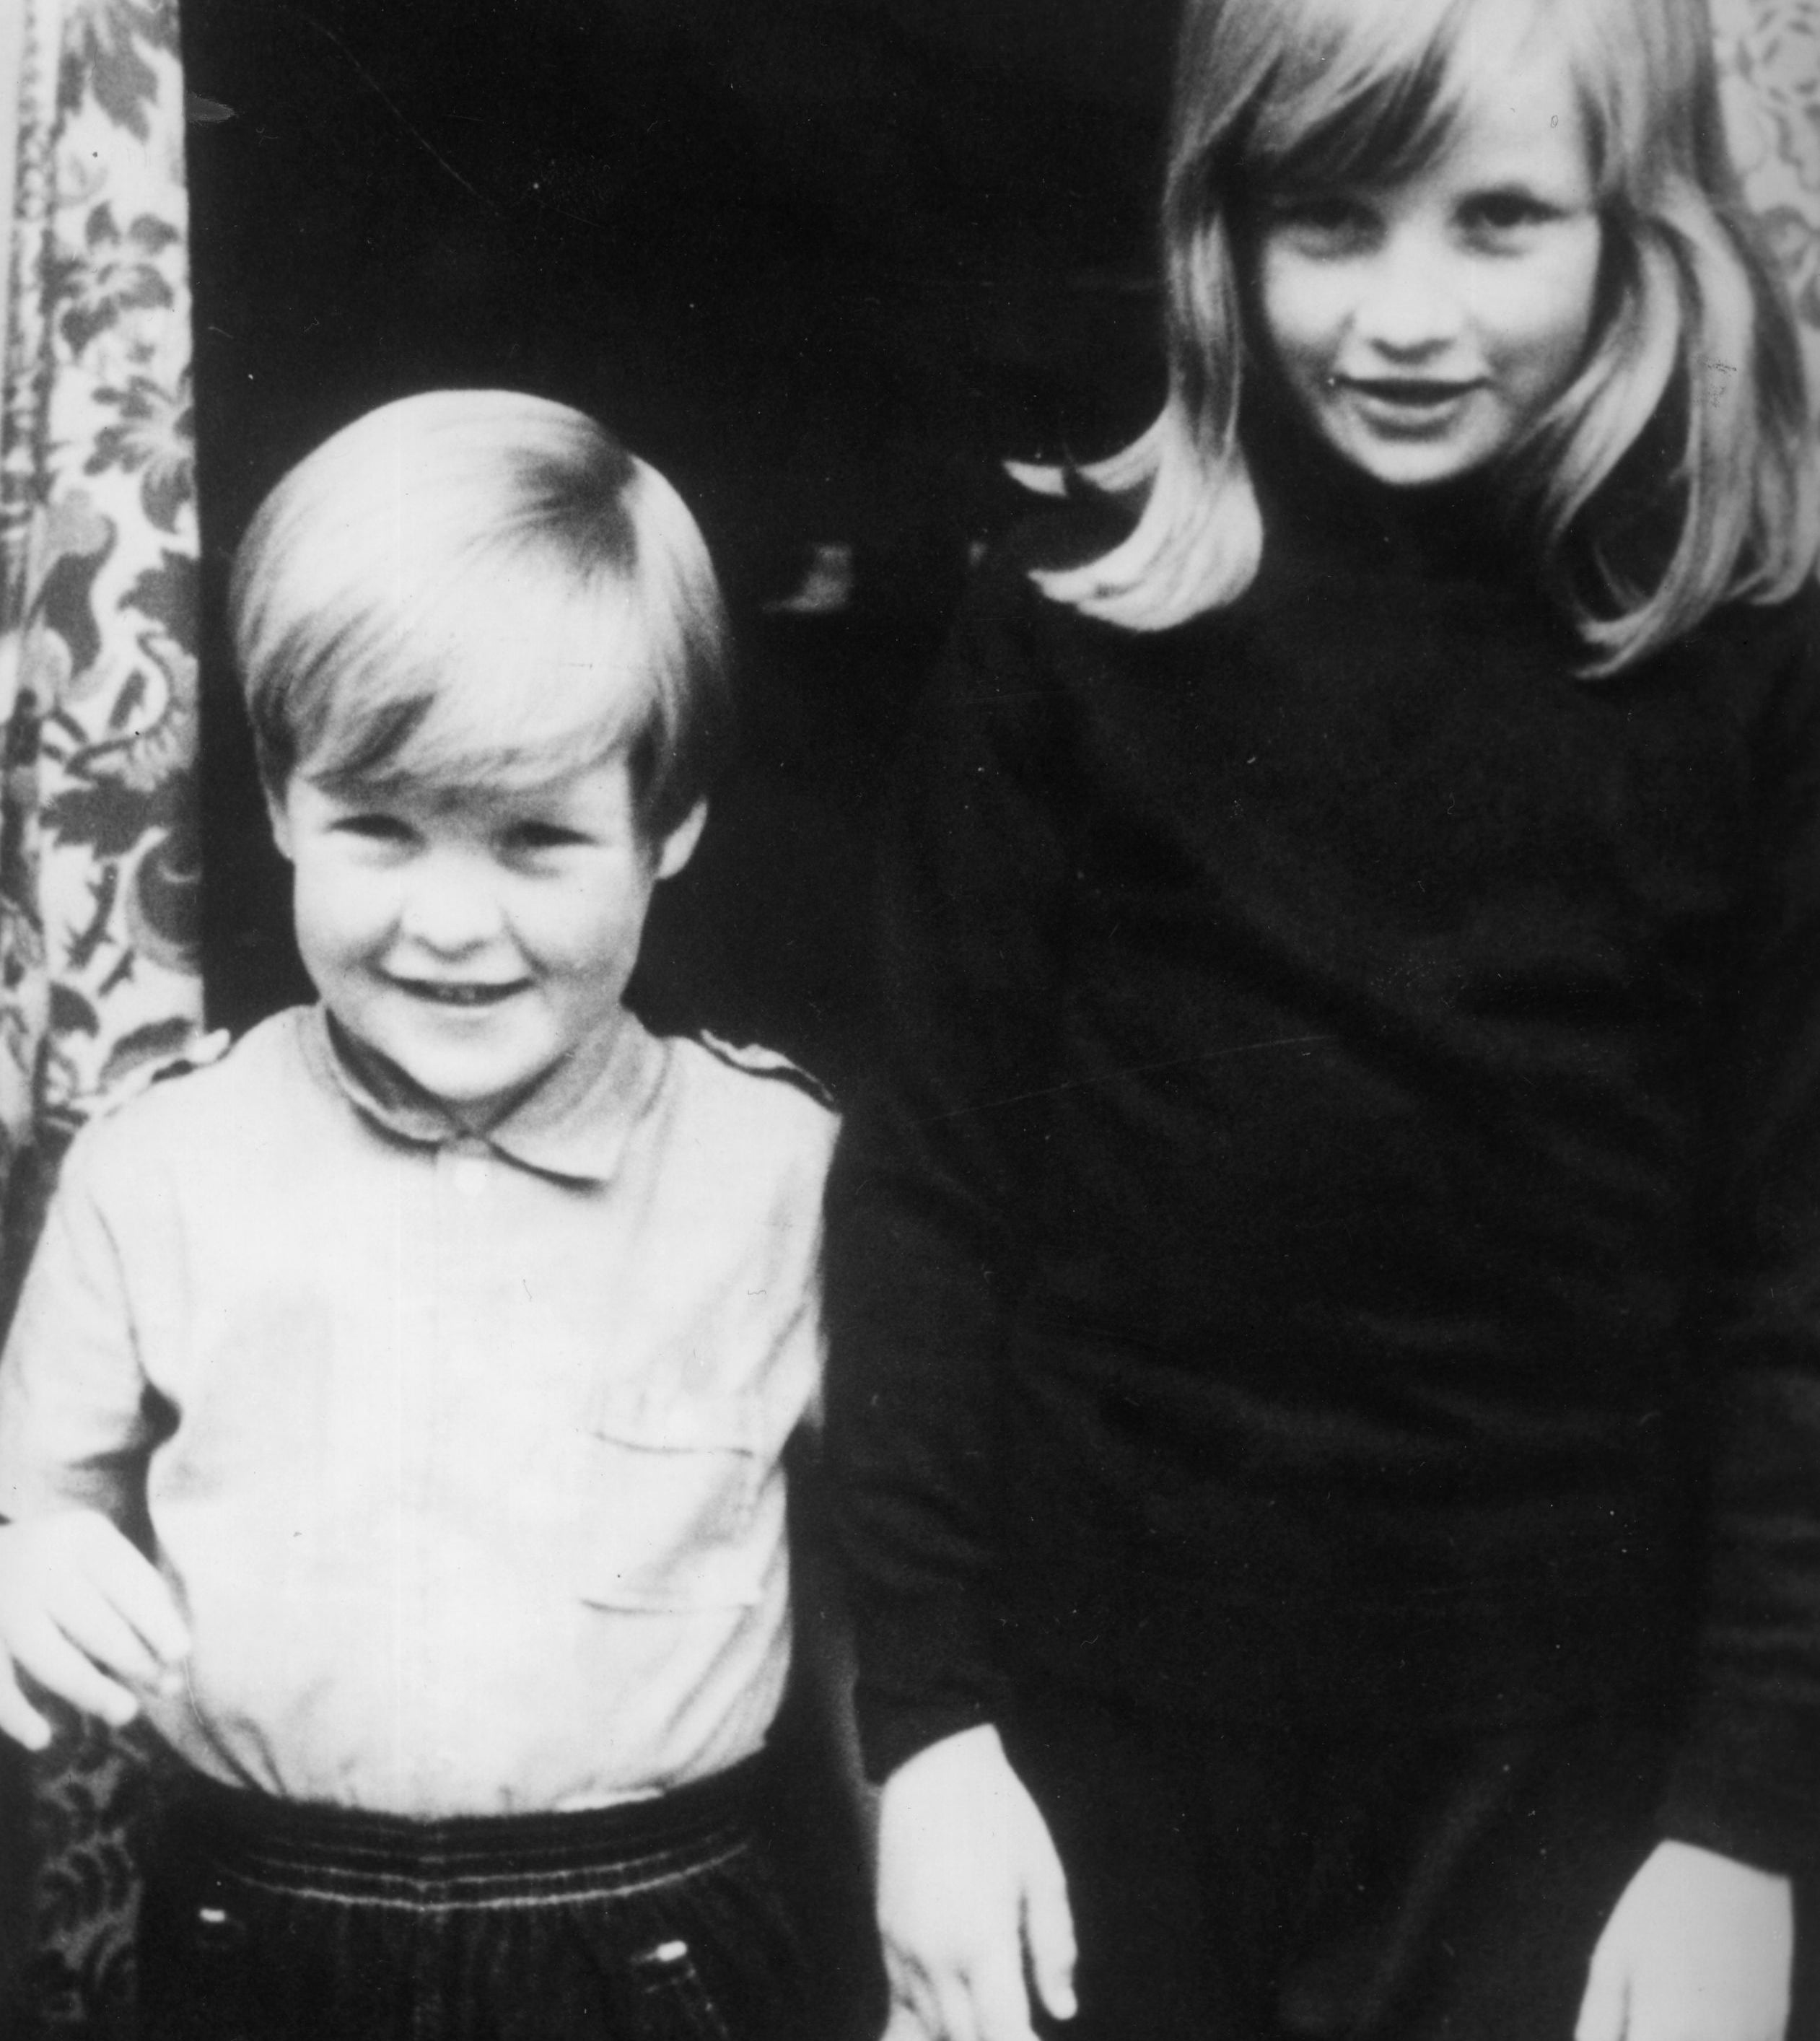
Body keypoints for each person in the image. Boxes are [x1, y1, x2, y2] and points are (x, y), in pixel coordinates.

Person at [823, 1, 1820, 2037]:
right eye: (1332, 222)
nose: (1406, 314)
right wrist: (926, 1739)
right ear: (1223, 231)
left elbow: (1798, 1281)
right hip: (1095, 1744)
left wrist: (1746, 1822)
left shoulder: (1751, 670)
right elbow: (926, 1200)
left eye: (1502, 221)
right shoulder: (1061, 630)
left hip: (1563, 1765)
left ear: (1637, 230)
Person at [0, 389, 838, 2041]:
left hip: (655, 1945)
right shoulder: (158, 1166)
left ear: (670, 827)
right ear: (277, 805)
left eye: (536, 840)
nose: (451, 923)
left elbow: (902, 1597)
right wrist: (26, 1557)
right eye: (379, 827)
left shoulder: (782, 1172)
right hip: (257, 1929)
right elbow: (32, 1501)